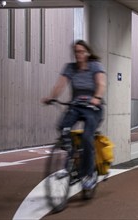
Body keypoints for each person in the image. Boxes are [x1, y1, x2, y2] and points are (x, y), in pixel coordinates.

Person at [42, 40, 106, 191]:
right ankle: (72, 161)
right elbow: (60, 85)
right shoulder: (70, 68)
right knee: (63, 128)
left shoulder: (95, 65)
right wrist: (51, 97)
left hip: (93, 108)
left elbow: (101, 84)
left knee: (86, 137)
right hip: (76, 106)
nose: (79, 55)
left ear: (87, 53)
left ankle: (88, 174)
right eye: (76, 52)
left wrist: (96, 98)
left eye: (82, 51)